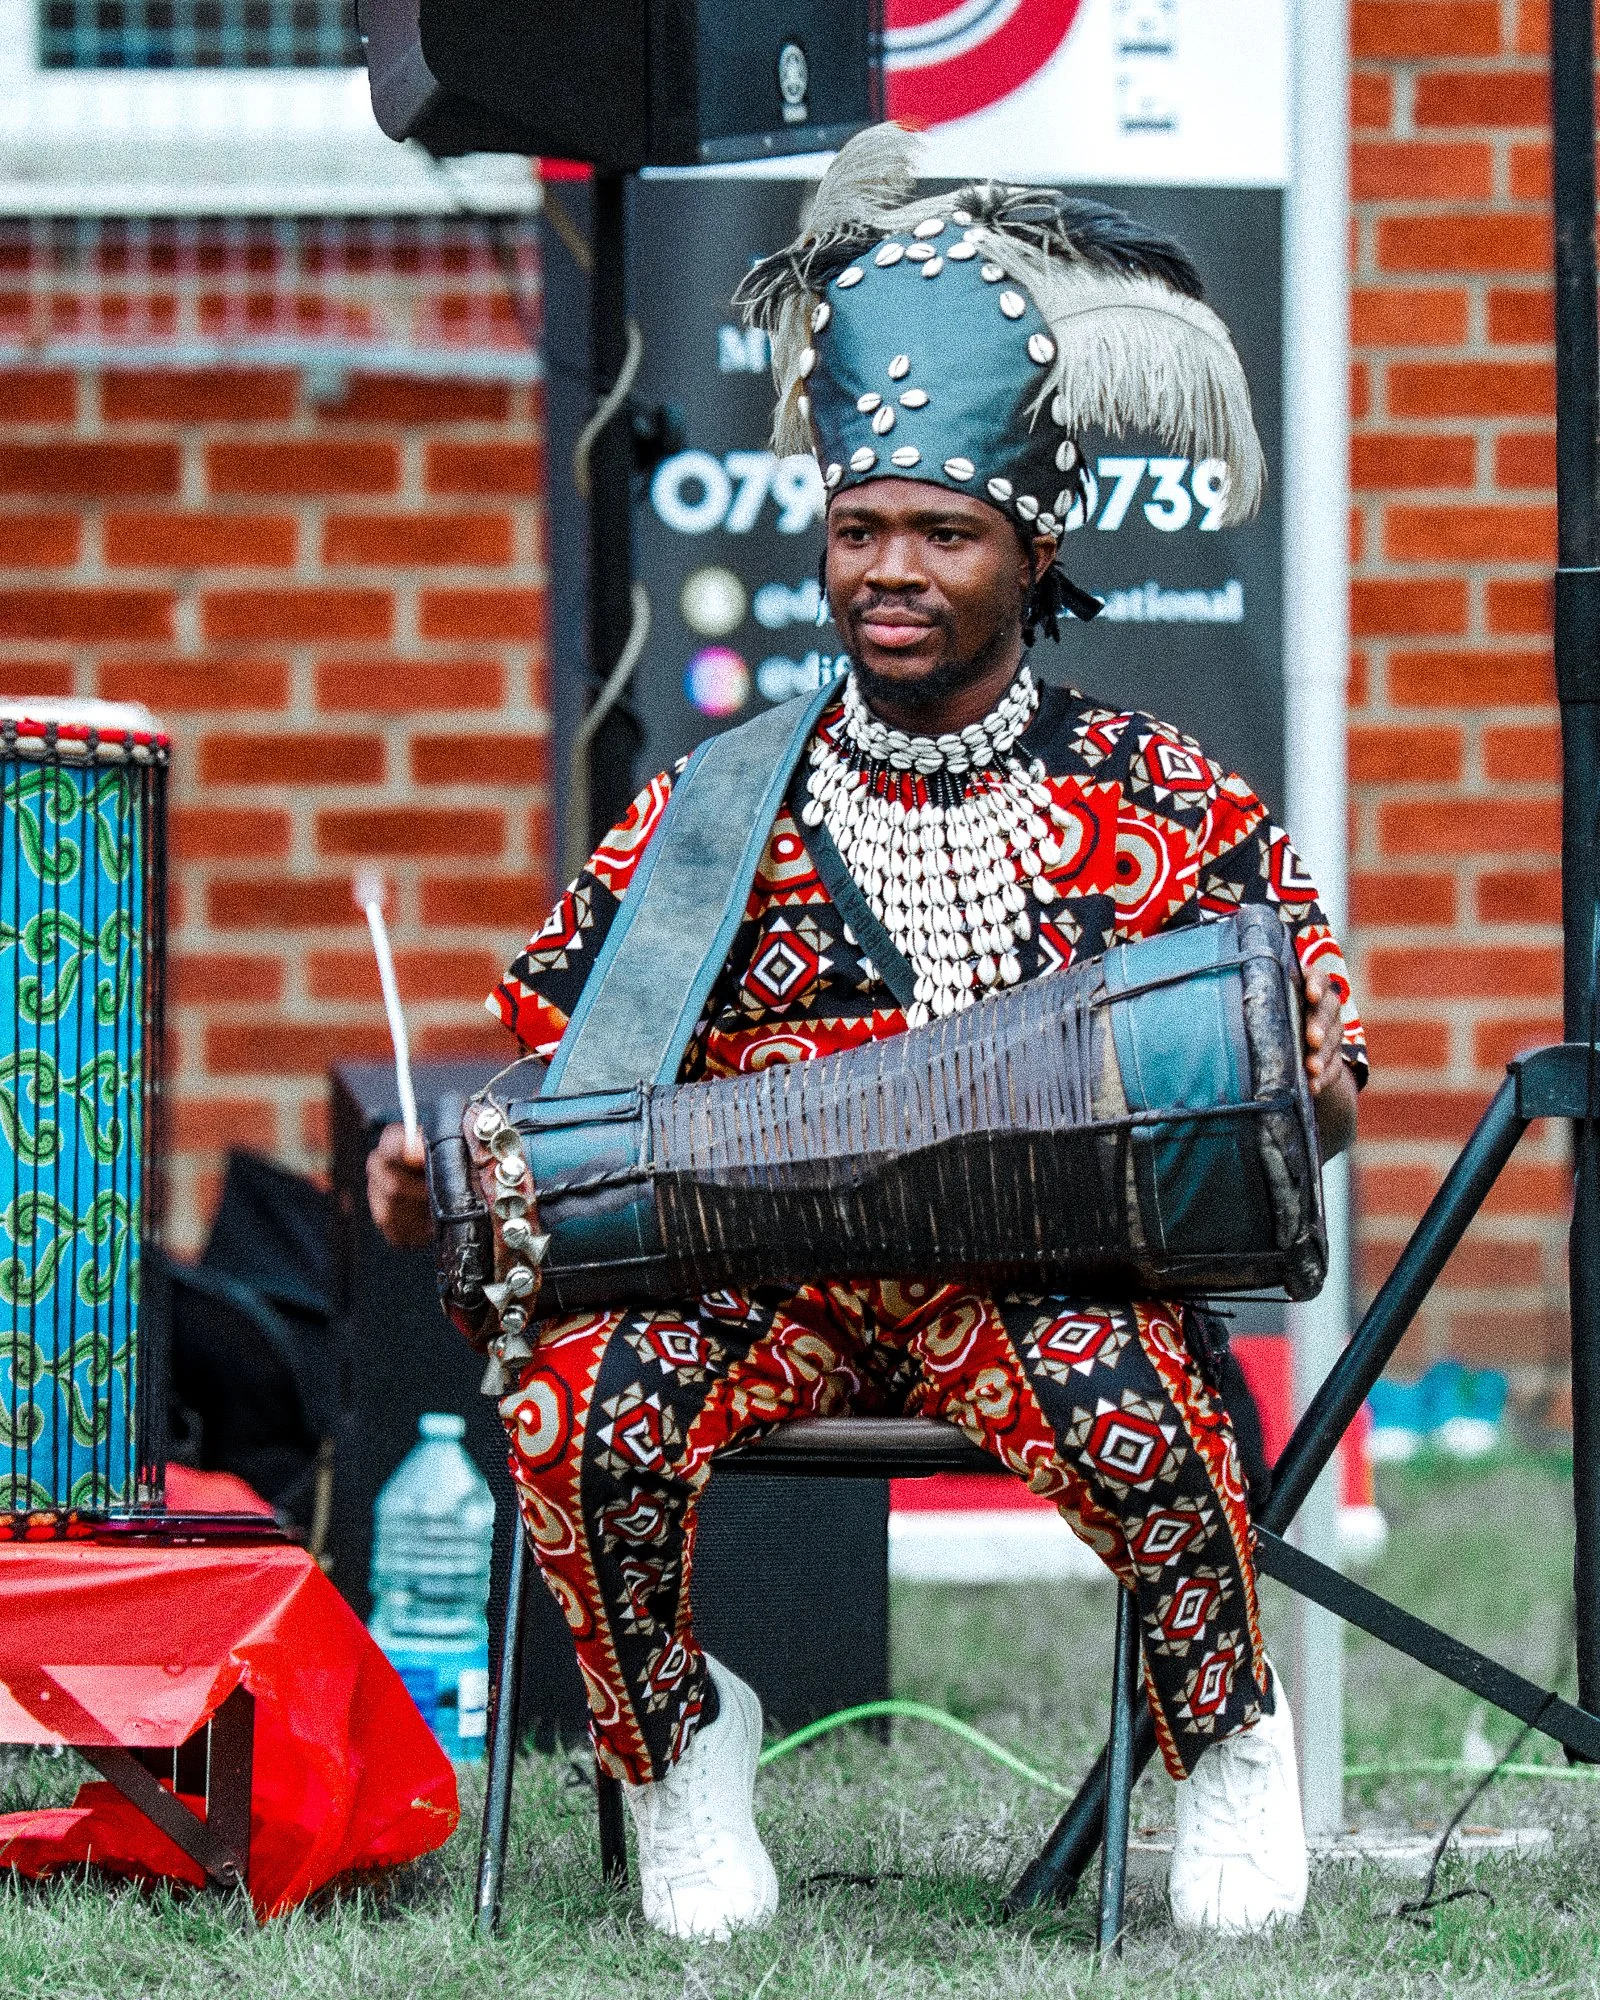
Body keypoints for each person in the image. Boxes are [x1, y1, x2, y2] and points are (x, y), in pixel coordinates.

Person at [369, 125, 1363, 1942]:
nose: (890, 569)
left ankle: (1222, 1729)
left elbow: (1321, 1086)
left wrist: (1305, 1073)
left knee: (1137, 1384)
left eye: (941, 533)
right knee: (578, 1396)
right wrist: (443, 1149)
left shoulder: (1159, 799)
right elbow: (562, 1074)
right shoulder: (716, 806)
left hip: (1032, 1276)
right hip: (769, 1283)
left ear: (1031, 545)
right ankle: (679, 1751)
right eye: (859, 530)